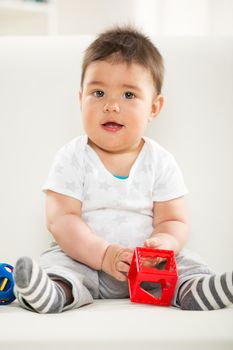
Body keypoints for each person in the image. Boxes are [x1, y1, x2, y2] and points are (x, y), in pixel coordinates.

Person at [14, 26, 233, 313]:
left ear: (154, 108)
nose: (112, 106)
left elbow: (175, 221)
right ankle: (52, 291)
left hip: (147, 266)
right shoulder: (72, 157)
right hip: (85, 260)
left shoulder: (160, 161)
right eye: (99, 92)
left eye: (129, 95)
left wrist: (163, 244)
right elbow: (61, 220)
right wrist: (102, 254)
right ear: (81, 99)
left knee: (186, 261)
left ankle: (196, 289)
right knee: (58, 263)